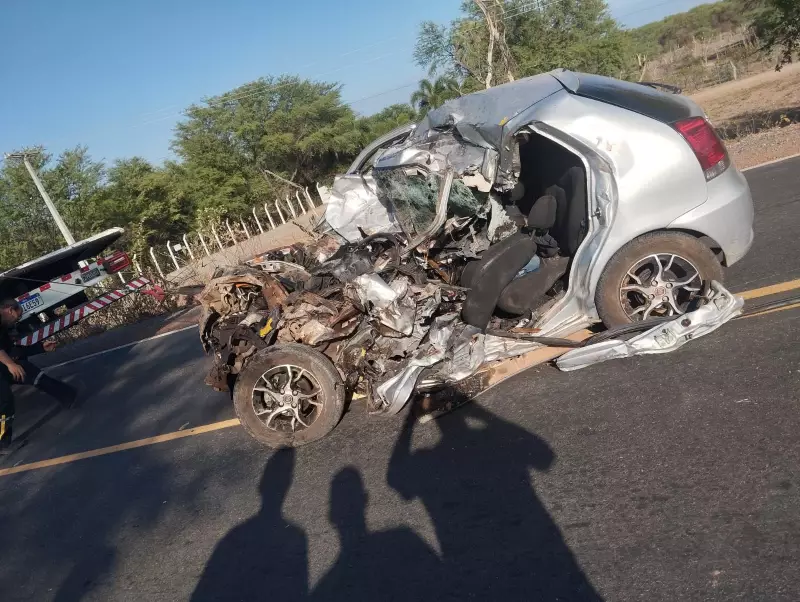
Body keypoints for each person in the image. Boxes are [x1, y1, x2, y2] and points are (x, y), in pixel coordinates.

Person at [0, 298, 77, 454]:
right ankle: (3, 444)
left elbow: (13, 351)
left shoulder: (3, 328)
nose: (17, 320)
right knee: (5, 401)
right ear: (10, 310)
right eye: (18, 316)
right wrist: (10, 364)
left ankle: (68, 396)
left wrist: (41, 347)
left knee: (29, 371)